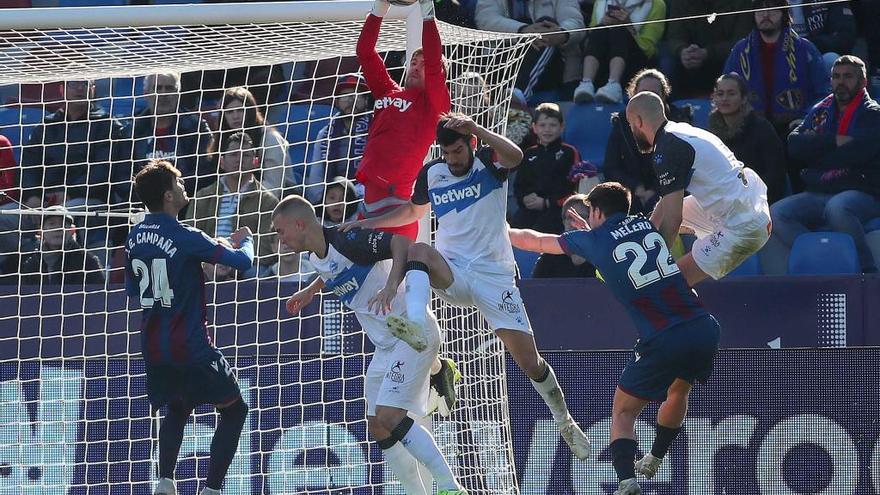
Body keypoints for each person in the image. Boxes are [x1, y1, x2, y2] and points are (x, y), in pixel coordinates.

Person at [343, 113, 592, 461]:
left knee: (530, 362)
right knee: (419, 250)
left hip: (494, 276)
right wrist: (369, 223)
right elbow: (412, 214)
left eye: (458, 151)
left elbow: (517, 157)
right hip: (454, 271)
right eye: (447, 153)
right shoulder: (432, 173)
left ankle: (564, 421)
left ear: (471, 144)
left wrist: (475, 128)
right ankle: (420, 334)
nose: (452, 159)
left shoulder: (490, 163)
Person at [508, 182, 720, 495]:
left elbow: (536, 241)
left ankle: (626, 481)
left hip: (663, 336)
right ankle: (656, 455)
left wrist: (496, 230)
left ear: (595, 211)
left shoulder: (594, 239)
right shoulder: (646, 226)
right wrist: (592, 235)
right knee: (678, 390)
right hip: (703, 326)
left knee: (623, 412)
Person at [273, 195, 464, 495]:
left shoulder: (348, 239)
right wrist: (311, 290)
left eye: (280, 231)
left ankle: (450, 487)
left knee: (391, 416)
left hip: (411, 333)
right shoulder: (314, 256)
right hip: (386, 346)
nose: (280, 240)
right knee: (377, 425)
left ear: (300, 224)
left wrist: (390, 286)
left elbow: (400, 244)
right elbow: (330, 269)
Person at [125, 160, 255, 495]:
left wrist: (214, 245)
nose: (185, 186)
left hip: (153, 346)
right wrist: (247, 241)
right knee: (235, 410)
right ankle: (211, 489)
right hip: (191, 345)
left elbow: (133, 289)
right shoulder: (185, 235)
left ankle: (165, 480)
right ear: (169, 195)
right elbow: (243, 263)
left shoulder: (134, 237)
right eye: (180, 182)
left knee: (178, 407)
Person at [626, 91, 772, 285]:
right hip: (748, 206)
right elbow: (668, 203)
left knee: (669, 286)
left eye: (630, 124)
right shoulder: (681, 131)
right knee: (666, 221)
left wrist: (650, 264)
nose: (631, 130)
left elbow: (673, 219)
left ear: (638, 120)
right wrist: (647, 232)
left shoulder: (668, 149)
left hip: (742, 226)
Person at [772, 55, 880, 273]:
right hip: (820, 190)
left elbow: (856, 154)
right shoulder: (820, 111)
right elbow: (794, 146)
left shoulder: (873, 114)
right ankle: (823, 256)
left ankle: (866, 272)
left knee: (838, 208)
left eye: (848, 76)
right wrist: (833, 141)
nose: (841, 82)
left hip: (863, 191)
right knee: (777, 213)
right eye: (836, 77)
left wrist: (815, 148)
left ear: (863, 82)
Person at [354, 0, 452, 240]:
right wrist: (380, 9)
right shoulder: (387, 90)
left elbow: (433, 62)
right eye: (413, 62)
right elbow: (365, 53)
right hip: (367, 207)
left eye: (424, 65)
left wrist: (427, 10)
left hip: (396, 209)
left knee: (397, 277)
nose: (416, 67)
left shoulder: (434, 106)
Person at [723, 0, 828, 137]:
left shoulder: (805, 49)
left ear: (784, 14)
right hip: (749, 128)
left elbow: (824, 94)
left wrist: (805, 119)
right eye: (760, 10)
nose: (765, 15)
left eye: (772, 9)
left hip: (794, 127)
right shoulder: (740, 50)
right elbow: (725, 88)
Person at [185, 132, 279, 275]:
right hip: (209, 263)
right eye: (234, 154)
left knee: (255, 273)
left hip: (244, 265)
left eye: (246, 155)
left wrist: (233, 258)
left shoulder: (268, 201)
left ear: (255, 162)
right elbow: (190, 237)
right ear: (222, 162)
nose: (239, 159)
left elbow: (268, 247)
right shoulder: (203, 196)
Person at [605, 69, 692, 215]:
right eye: (643, 93)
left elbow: (684, 167)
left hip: (671, 190)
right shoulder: (621, 122)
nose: (648, 98)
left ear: (664, 97)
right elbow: (611, 167)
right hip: (631, 192)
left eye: (654, 94)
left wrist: (653, 191)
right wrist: (636, 187)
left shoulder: (679, 121)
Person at [475, 0, 585, 101]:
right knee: (539, 33)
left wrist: (562, 33)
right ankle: (518, 92)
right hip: (503, 60)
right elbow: (485, 19)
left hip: (552, 64)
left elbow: (576, 21)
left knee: (546, 26)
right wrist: (522, 30)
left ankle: (520, 92)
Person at [708, 72, 787, 204]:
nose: (724, 99)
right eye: (720, 94)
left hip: (757, 199)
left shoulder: (761, 128)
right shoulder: (711, 132)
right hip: (721, 201)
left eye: (731, 93)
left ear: (744, 98)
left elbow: (775, 174)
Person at [574, 0, 667, 104]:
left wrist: (629, 26)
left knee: (619, 31)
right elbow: (590, 39)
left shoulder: (657, 4)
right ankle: (586, 83)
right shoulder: (600, 2)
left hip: (634, 64)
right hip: (602, 64)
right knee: (599, 30)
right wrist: (602, 23)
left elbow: (648, 49)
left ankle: (614, 84)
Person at [663, 0, 753, 98]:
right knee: (667, 63)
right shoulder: (680, 3)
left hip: (723, 56)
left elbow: (742, 40)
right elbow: (674, 36)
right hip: (689, 58)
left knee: (739, 61)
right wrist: (682, 51)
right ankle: (672, 108)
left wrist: (707, 53)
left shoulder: (741, 3)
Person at [511, 102, 578, 233]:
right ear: (534, 128)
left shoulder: (569, 152)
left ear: (562, 127)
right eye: (542, 125)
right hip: (529, 209)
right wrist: (524, 199)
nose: (547, 129)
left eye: (553, 125)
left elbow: (573, 187)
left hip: (557, 210)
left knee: (543, 229)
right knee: (515, 229)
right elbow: (519, 185)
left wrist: (547, 202)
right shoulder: (529, 153)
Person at [306, 74, 373, 203]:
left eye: (357, 95)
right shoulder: (325, 134)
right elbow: (316, 178)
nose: (351, 100)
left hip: (367, 199)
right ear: (336, 101)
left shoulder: (376, 129)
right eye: (345, 95)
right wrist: (325, 201)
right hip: (331, 201)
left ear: (366, 100)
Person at [215, 86, 292, 199]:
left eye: (241, 110)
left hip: (274, 202)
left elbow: (274, 188)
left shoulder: (270, 138)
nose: (235, 116)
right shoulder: (222, 140)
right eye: (230, 112)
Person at [0, 206, 105, 286]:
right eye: (51, 224)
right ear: (40, 232)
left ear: (72, 230)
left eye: (63, 224)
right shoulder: (31, 263)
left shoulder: (87, 261)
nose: (58, 229)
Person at [531, 194, 596, 278]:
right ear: (563, 222)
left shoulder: (603, 255)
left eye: (581, 216)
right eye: (569, 217)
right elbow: (535, 287)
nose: (574, 223)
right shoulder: (550, 256)